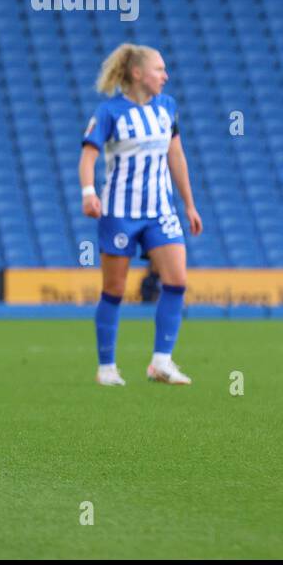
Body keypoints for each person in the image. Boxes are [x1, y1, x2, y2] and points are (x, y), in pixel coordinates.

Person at [79, 43, 202, 386]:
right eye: (159, 69)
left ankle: (161, 362)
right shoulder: (110, 113)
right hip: (119, 213)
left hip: (161, 211)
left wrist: (189, 204)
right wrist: (89, 193)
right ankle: (106, 367)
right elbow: (88, 157)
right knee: (114, 290)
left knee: (177, 281)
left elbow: (176, 157)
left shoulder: (167, 108)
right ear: (137, 73)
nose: (166, 75)